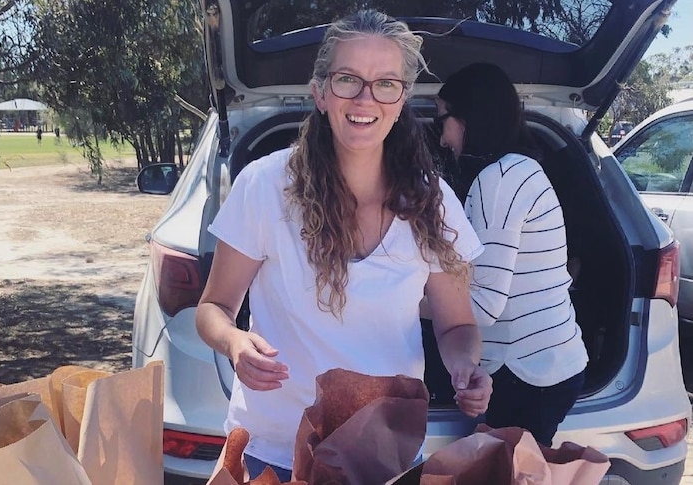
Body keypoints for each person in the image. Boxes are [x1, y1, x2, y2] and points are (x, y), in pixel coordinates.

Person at [196, 10, 492, 482]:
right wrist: (233, 343)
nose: (365, 98)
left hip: (385, 451)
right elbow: (212, 307)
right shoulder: (266, 186)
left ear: (402, 101)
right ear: (320, 92)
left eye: (386, 84)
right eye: (348, 79)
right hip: (273, 450)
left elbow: (457, 325)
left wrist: (464, 368)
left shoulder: (433, 202)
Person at [435, 62, 588, 447]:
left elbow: (484, 305)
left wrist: (405, 297)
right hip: (550, 362)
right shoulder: (520, 170)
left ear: (468, 117)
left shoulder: (497, 182)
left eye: (443, 122)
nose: (442, 139)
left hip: (528, 374)